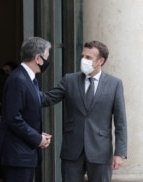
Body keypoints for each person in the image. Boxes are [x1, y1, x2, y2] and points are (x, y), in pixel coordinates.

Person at [41, 40, 127, 182]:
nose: (83, 60)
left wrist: (120, 153)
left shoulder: (114, 84)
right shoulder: (69, 80)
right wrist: (26, 84)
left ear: (101, 61)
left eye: (88, 58)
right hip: (72, 150)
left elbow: (120, 122)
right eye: (82, 56)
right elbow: (47, 99)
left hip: (100, 150)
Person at [0, 37, 52, 182]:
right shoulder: (18, 79)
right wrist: (37, 138)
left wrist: (38, 134)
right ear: (38, 58)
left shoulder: (28, 78)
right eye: (47, 56)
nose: (48, 60)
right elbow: (13, 118)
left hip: (23, 153)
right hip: (16, 155)